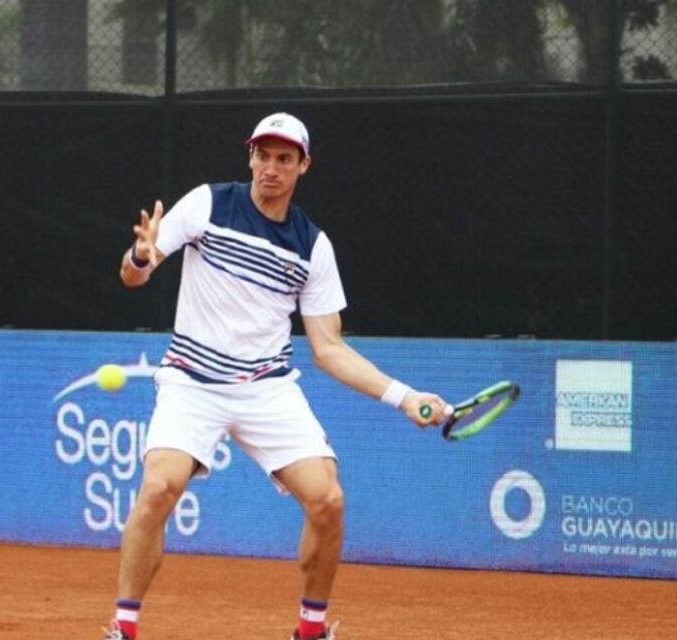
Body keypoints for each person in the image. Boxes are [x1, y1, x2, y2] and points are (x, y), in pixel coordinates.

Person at [105, 113, 450, 640]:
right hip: (192, 382)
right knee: (157, 487)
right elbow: (134, 274)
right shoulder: (207, 203)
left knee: (328, 500)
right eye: (263, 155)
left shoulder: (313, 247)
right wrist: (139, 257)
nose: (271, 167)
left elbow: (329, 349)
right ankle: (124, 626)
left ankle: (311, 629)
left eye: (284, 158)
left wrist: (404, 398)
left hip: (267, 390)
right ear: (250, 157)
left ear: (302, 166)